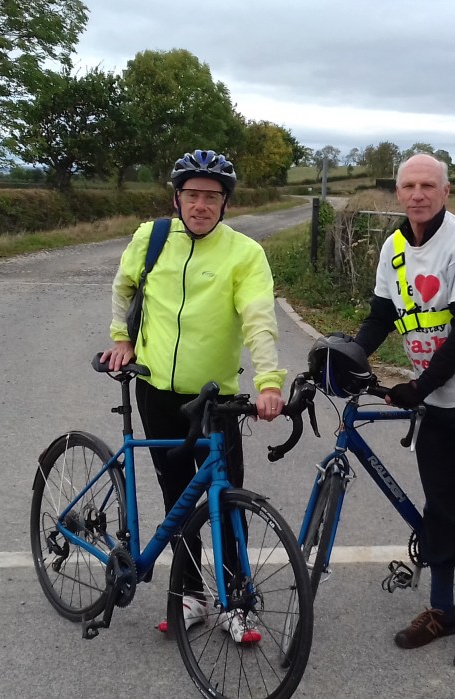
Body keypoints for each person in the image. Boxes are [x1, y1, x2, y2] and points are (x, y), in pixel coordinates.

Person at [100, 149, 286, 644]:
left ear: (225, 204)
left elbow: (259, 318)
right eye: (192, 195)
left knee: (226, 500)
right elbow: (123, 287)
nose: (201, 205)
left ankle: (234, 600)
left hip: (215, 401)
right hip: (155, 391)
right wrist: (121, 338)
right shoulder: (151, 238)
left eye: (212, 197)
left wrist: (269, 382)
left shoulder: (244, 253)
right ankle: (190, 596)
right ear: (177, 198)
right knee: (177, 501)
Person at [351, 153, 455, 669]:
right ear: (398, 193)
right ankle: (442, 610)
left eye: (428, 185)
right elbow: (381, 315)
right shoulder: (394, 246)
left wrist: (418, 387)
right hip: (436, 400)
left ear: (446, 192)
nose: (417, 194)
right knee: (440, 507)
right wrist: (347, 356)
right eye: (409, 186)